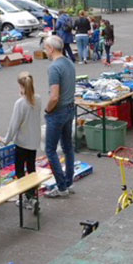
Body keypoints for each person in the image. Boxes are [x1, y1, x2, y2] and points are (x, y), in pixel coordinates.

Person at [0, 72, 41, 210]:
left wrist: (5, 140)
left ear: (21, 86)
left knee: (20, 171)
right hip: (33, 141)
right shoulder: (37, 99)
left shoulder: (20, 103)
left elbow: (14, 125)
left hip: (22, 142)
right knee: (31, 169)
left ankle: (27, 197)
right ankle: (33, 196)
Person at [43, 36, 76, 198]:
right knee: (68, 147)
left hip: (58, 111)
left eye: (45, 48)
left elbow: (54, 96)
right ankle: (68, 182)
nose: (45, 51)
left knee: (50, 150)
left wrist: (48, 110)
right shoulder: (69, 62)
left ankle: (61, 186)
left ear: (50, 48)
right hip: (70, 108)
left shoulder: (54, 68)